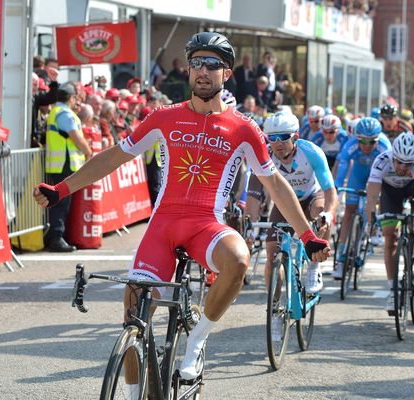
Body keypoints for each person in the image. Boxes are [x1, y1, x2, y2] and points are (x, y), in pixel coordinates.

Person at [33, 32, 329, 393]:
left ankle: (197, 341)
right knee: (133, 312)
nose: (203, 71)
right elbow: (113, 157)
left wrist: (307, 234)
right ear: (188, 71)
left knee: (238, 258)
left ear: (227, 73)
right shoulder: (164, 118)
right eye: (196, 63)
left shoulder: (244, 128)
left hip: (206, 225)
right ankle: (130, 392)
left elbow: (276, 186)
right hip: (163, 225)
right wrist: (61, 187)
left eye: (212, 64)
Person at [245, 111, 337, 306]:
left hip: (311, 197)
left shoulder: (311, 152)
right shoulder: (264, 156)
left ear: (296, 136)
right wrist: (249, 228)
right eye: (272, 138)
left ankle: (314, 266)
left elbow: (330, 191)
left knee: (320, 215)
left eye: (284, 137)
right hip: (285, 203)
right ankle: (275, 308)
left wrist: (328, 214)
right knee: (272, 253)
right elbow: (253, 194)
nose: (278, 143)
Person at [365, 132, 414, 315]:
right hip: (391, 191)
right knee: (390, 236)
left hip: (412, 188)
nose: (403, 167)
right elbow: (372, 196)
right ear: (393, 156)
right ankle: (392, 289)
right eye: (399, 162)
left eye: (408, 164)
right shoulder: (382, 160)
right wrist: (371, 221)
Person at [333, 117, 391, 279]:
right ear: (356, 138)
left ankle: (372, 229)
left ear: (377, 140)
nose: (366, 146)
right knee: (349, 213)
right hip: (358, 174)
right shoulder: (350, 146)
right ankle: (341, 257)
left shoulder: (384, 147)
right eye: (362, 142)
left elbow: (388, 174)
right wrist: (337, 187)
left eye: (371, 142)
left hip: (377, 175)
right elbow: (343, 166)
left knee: (371, 205)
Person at [43, 83, 92, 252]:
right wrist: (88, 151)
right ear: (71, 98)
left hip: (60, 164)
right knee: (61, 203)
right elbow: (76, 137)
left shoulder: (56, 112)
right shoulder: (64, 114)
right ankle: (56, 237)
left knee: (59, 201)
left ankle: (56, 236)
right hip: (65, 164)